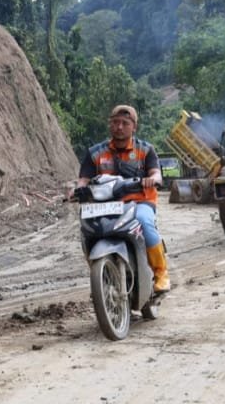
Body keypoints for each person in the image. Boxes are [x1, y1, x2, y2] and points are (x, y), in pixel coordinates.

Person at [73, 104, 171, 293]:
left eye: (125, 123)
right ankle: (101, 274)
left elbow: (156, 173)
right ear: (110, 125)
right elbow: (83, 179)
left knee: (144, 221)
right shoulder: (95, 153)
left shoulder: (145, 150)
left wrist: (153, 180)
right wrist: (78, 190)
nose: (119, 127)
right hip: (105, 205)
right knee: (87, 230)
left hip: (139, 201)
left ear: (134, 127)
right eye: (115, 122)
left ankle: (161, 273)